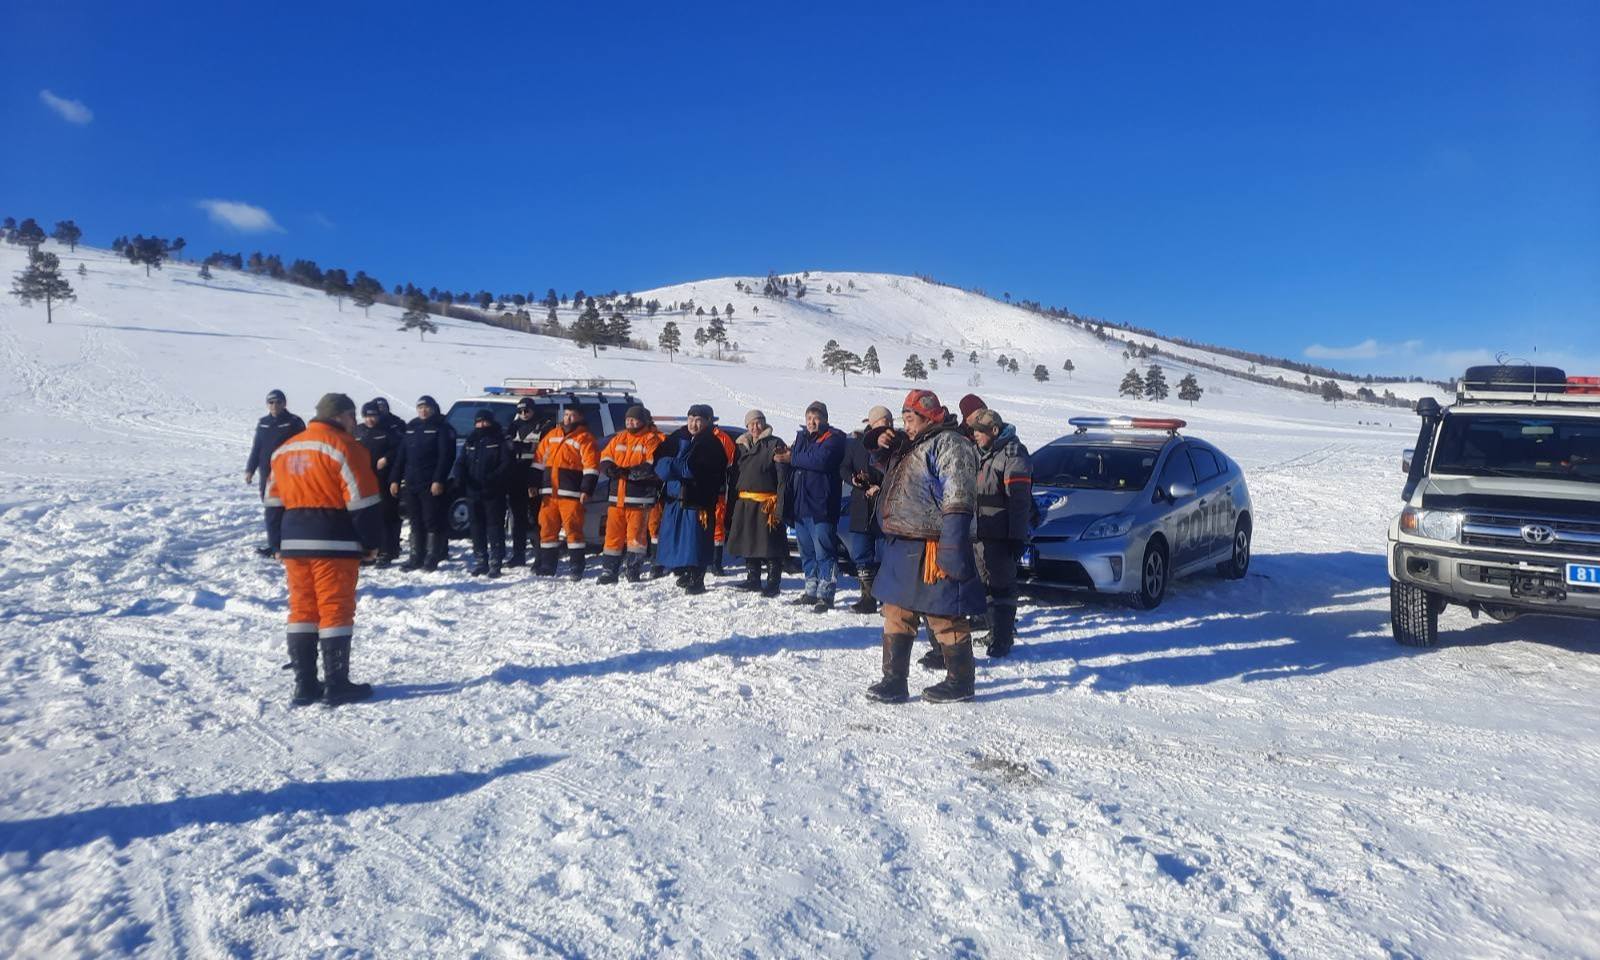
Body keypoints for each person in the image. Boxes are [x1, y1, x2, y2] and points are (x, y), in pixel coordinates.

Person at [866, 389, 984, 704]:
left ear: (929, 416)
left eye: (910, 418)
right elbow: (895, 478)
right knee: (896, 611)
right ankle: (894, 680)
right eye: (904, 418)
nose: (906, 425)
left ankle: (961, 681)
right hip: (903, 542)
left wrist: (953, 541)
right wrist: (881, 448)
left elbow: (959, 494)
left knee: (944, 614)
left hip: (935, 542)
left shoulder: (952, 444)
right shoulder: (914, 444)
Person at [265, 393, 383, 706]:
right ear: (344, 416)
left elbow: (272, 502)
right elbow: (363, 501)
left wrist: (276, 543)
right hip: (334, 541)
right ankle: (337, 683)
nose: (354, 423)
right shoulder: (346, 447)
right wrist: (371, 543)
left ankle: (305, 685)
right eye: (352, 417)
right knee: (335, 608)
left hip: (293, 542)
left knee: (302, 609)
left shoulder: (285, 449)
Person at [969, 408, 1033, 658]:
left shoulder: (1013, 455)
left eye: (980, 431)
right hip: (979, 531)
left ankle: (1003, 637)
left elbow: (1019, 502)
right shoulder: (978, 453)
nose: (975, 435)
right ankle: (992, 628)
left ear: (994, 431)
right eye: (973, 430)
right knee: (984, 584)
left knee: (1002, 586)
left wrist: (1017, 536)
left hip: (1001, 534)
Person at [777, 401, 848, 612]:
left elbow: (820, 461)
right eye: (809, 418)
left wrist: (793, 458)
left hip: (821, 506)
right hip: (800, 505)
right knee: (806, 552)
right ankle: (811, 589)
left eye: (816, 418)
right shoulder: (801, 439)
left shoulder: (833, 439)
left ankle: (826, 594)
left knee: (824, 551)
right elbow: (799, 460)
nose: (812, 422)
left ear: (825, 419)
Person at [653, 404, 729, 594]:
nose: (693, 424)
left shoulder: (711, 443)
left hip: (698, 500)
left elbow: (693, 469)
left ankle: (698, 577)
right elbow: (660, 465)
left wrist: (673, 466)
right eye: (690, 419)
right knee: (678, 539)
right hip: (675, 499)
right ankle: (685, 571)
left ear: (707, 422)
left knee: (696, 540)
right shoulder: (677, 437)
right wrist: (676, 466)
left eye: (698, 420)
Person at [596, 405, 665, 584]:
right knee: (612, 536)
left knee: (635, 537)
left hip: (639, 498)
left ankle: (633, 570)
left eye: (634, 419)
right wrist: (609, 469)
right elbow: (604, 457)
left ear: (643, 421)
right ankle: (609, 571)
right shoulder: (619, 437)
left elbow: (652, 465)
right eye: (628, 419)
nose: (630, 422)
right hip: (616, 497)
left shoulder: (651, 439)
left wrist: (628, 472)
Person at [726, 409, 789, 597]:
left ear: (764, 423)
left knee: (770, 543)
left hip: (767, 502)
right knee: (748, 541)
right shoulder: (741, 446)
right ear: (746, 426)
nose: (755, 427)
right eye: (751, 424)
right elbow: (734, 475)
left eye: (758, 422)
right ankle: (753, 578)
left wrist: (780, 502)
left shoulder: (774, 443)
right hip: (745, 501)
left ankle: (773, 581)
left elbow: (782, 476)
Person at [390, 395, 457, 571]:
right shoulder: (412, 427)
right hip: (411, 482)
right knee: (415, 520)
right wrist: (395, 479)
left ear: (434, 409)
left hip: (431, 483)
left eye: (427, 407)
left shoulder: (441, 428)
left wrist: (438, 480)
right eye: (420, 408)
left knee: (431, 520)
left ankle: (432, 557)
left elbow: (446, 457)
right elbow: (401, 456)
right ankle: (415, 557)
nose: (423, 411)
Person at [533, 406, 600, 580]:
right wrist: (532, 483)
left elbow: (591, 467)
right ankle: (548, 565)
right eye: (566, 415)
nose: (568, 418)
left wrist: (586, 489)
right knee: (547, 529)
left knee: (573, 530)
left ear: (580, 417)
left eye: (572, 415)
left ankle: (576, 566)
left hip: (571, 493)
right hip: (549, 492)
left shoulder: (585, 438)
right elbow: (539, 461)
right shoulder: (552, 435)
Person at [841, 405, 892, 614]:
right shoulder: (856, 444)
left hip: (885, 504)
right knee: (862, 553)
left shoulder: (895, 444)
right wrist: (854, 480)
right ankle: (867, 598)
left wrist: (881, 487)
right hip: (861, 503)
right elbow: (844, 468)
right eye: (883, 421)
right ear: (872, 423)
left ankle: (886, 600)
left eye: (889, 420)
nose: (888, 424)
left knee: (884, 554)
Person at [245, 389, 305, 557]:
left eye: (278, 402)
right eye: (271, 402)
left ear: (284, 403)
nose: (274, 405)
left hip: (289, 473)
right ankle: (274, 546)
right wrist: (250, 469)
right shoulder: (263, 423)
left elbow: (304, 447)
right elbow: (257, 448)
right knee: (271, 510)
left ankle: (290, 544)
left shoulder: (294, 422)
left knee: (289, 510)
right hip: (267, 474)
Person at [453, 409, 512, 577]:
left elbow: (506, 464)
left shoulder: (499, 439)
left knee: (494, 527)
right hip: (473, 491)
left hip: (493, 491)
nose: (482, 425)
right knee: (476, 527)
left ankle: (496, 561)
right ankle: (481, 561)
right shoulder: (471, 440)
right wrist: (460, 477)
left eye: (485, 422)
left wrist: (492, 478)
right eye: (478, 422)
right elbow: (461, 462)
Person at [354, 401, 403, 565]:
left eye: (373, 416)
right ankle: (368, 551)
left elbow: (399, 449)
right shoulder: (358, 431)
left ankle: (387, 551)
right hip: (363, 481)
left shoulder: (387, 431)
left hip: (383, 479)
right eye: (367, 416)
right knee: (366, 517)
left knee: (386, 515)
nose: (370, 420)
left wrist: (387, 458)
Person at [505, 397, 542, 567]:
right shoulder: (513, 426)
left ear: (533, 410)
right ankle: (518, 555)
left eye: (526, 410)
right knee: (518, 518)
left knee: (536, 519)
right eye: (520, 411)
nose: (523, 414)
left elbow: (543, 454)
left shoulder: (542, 426)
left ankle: (540, 556)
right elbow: (506, 449)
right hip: (515, 477)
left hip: (534, 477)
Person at [709, 422, 738, 575]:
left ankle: (716, 562)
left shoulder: (723, 438)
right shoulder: (692, 435)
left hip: (717, 490)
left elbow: (730, 464)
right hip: (696, 491)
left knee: (717, 525)